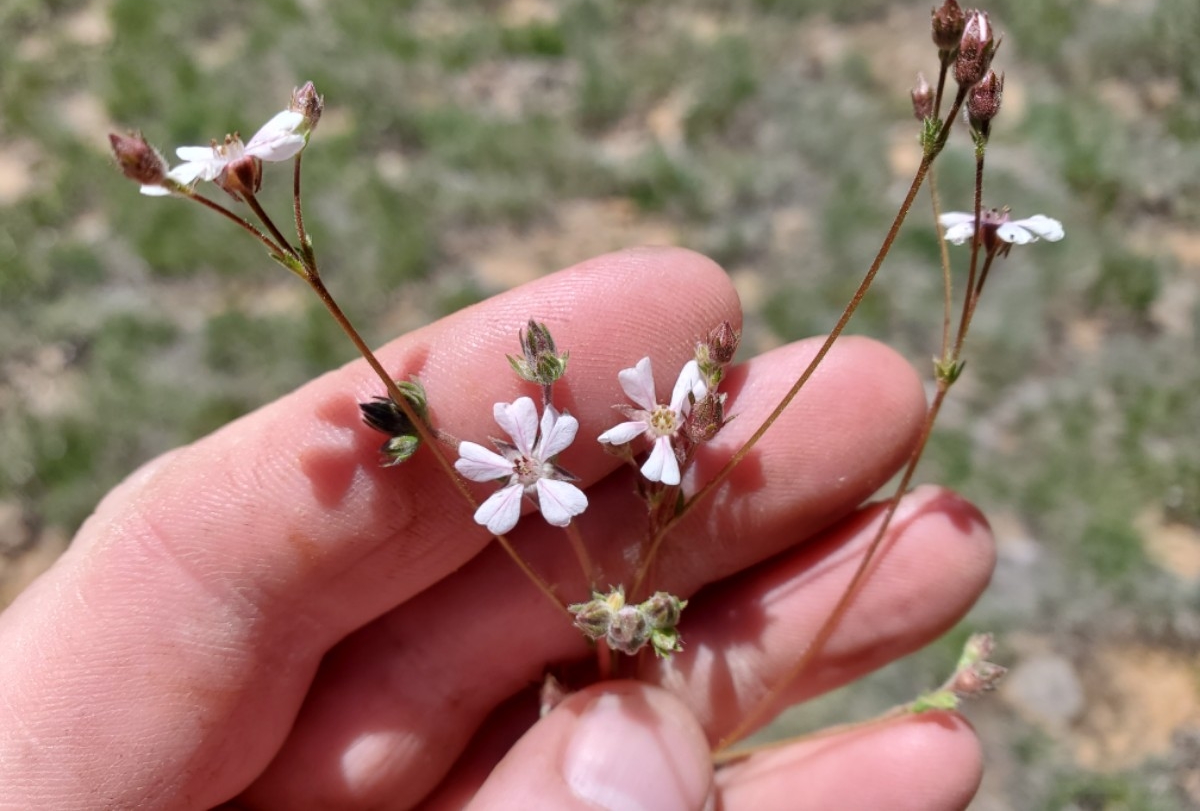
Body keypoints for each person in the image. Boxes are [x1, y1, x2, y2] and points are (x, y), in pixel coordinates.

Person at [0, 248, 994, 809]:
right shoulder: (527, 473)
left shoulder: (583, 461)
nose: (525, 460)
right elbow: (534, 469)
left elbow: (566, 467)